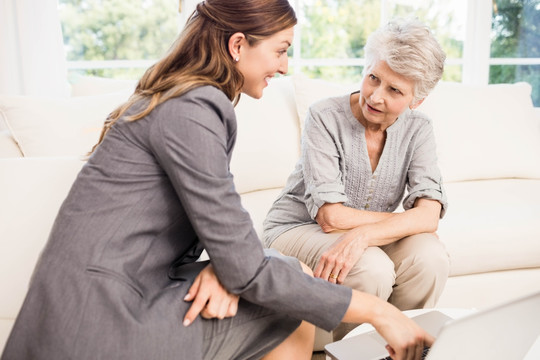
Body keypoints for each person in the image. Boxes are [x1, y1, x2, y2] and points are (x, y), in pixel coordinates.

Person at [1, 3, 434, 360]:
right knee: (290, 305)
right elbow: (243, 254)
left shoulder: (185, 97)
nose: (284, 68)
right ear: (238, 44)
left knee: (286, 277)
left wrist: (225, 268)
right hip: (100, 321)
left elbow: (219, 231)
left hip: (106, 301)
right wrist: (381, 312)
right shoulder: (195, 107)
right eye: (280, 51)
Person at [263, 18, 450, 340]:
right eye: (373, 78)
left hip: (363, 234)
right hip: (295, 227)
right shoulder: (324, 116)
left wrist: (365, 234)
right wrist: (407, 222)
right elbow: (331, 216)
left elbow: (430, 214)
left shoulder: (419, 128)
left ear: (416, 100)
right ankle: (347, 353)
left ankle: (401, 347)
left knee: (430, 259)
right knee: (370, 268)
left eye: (394, 90)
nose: (376, 97)